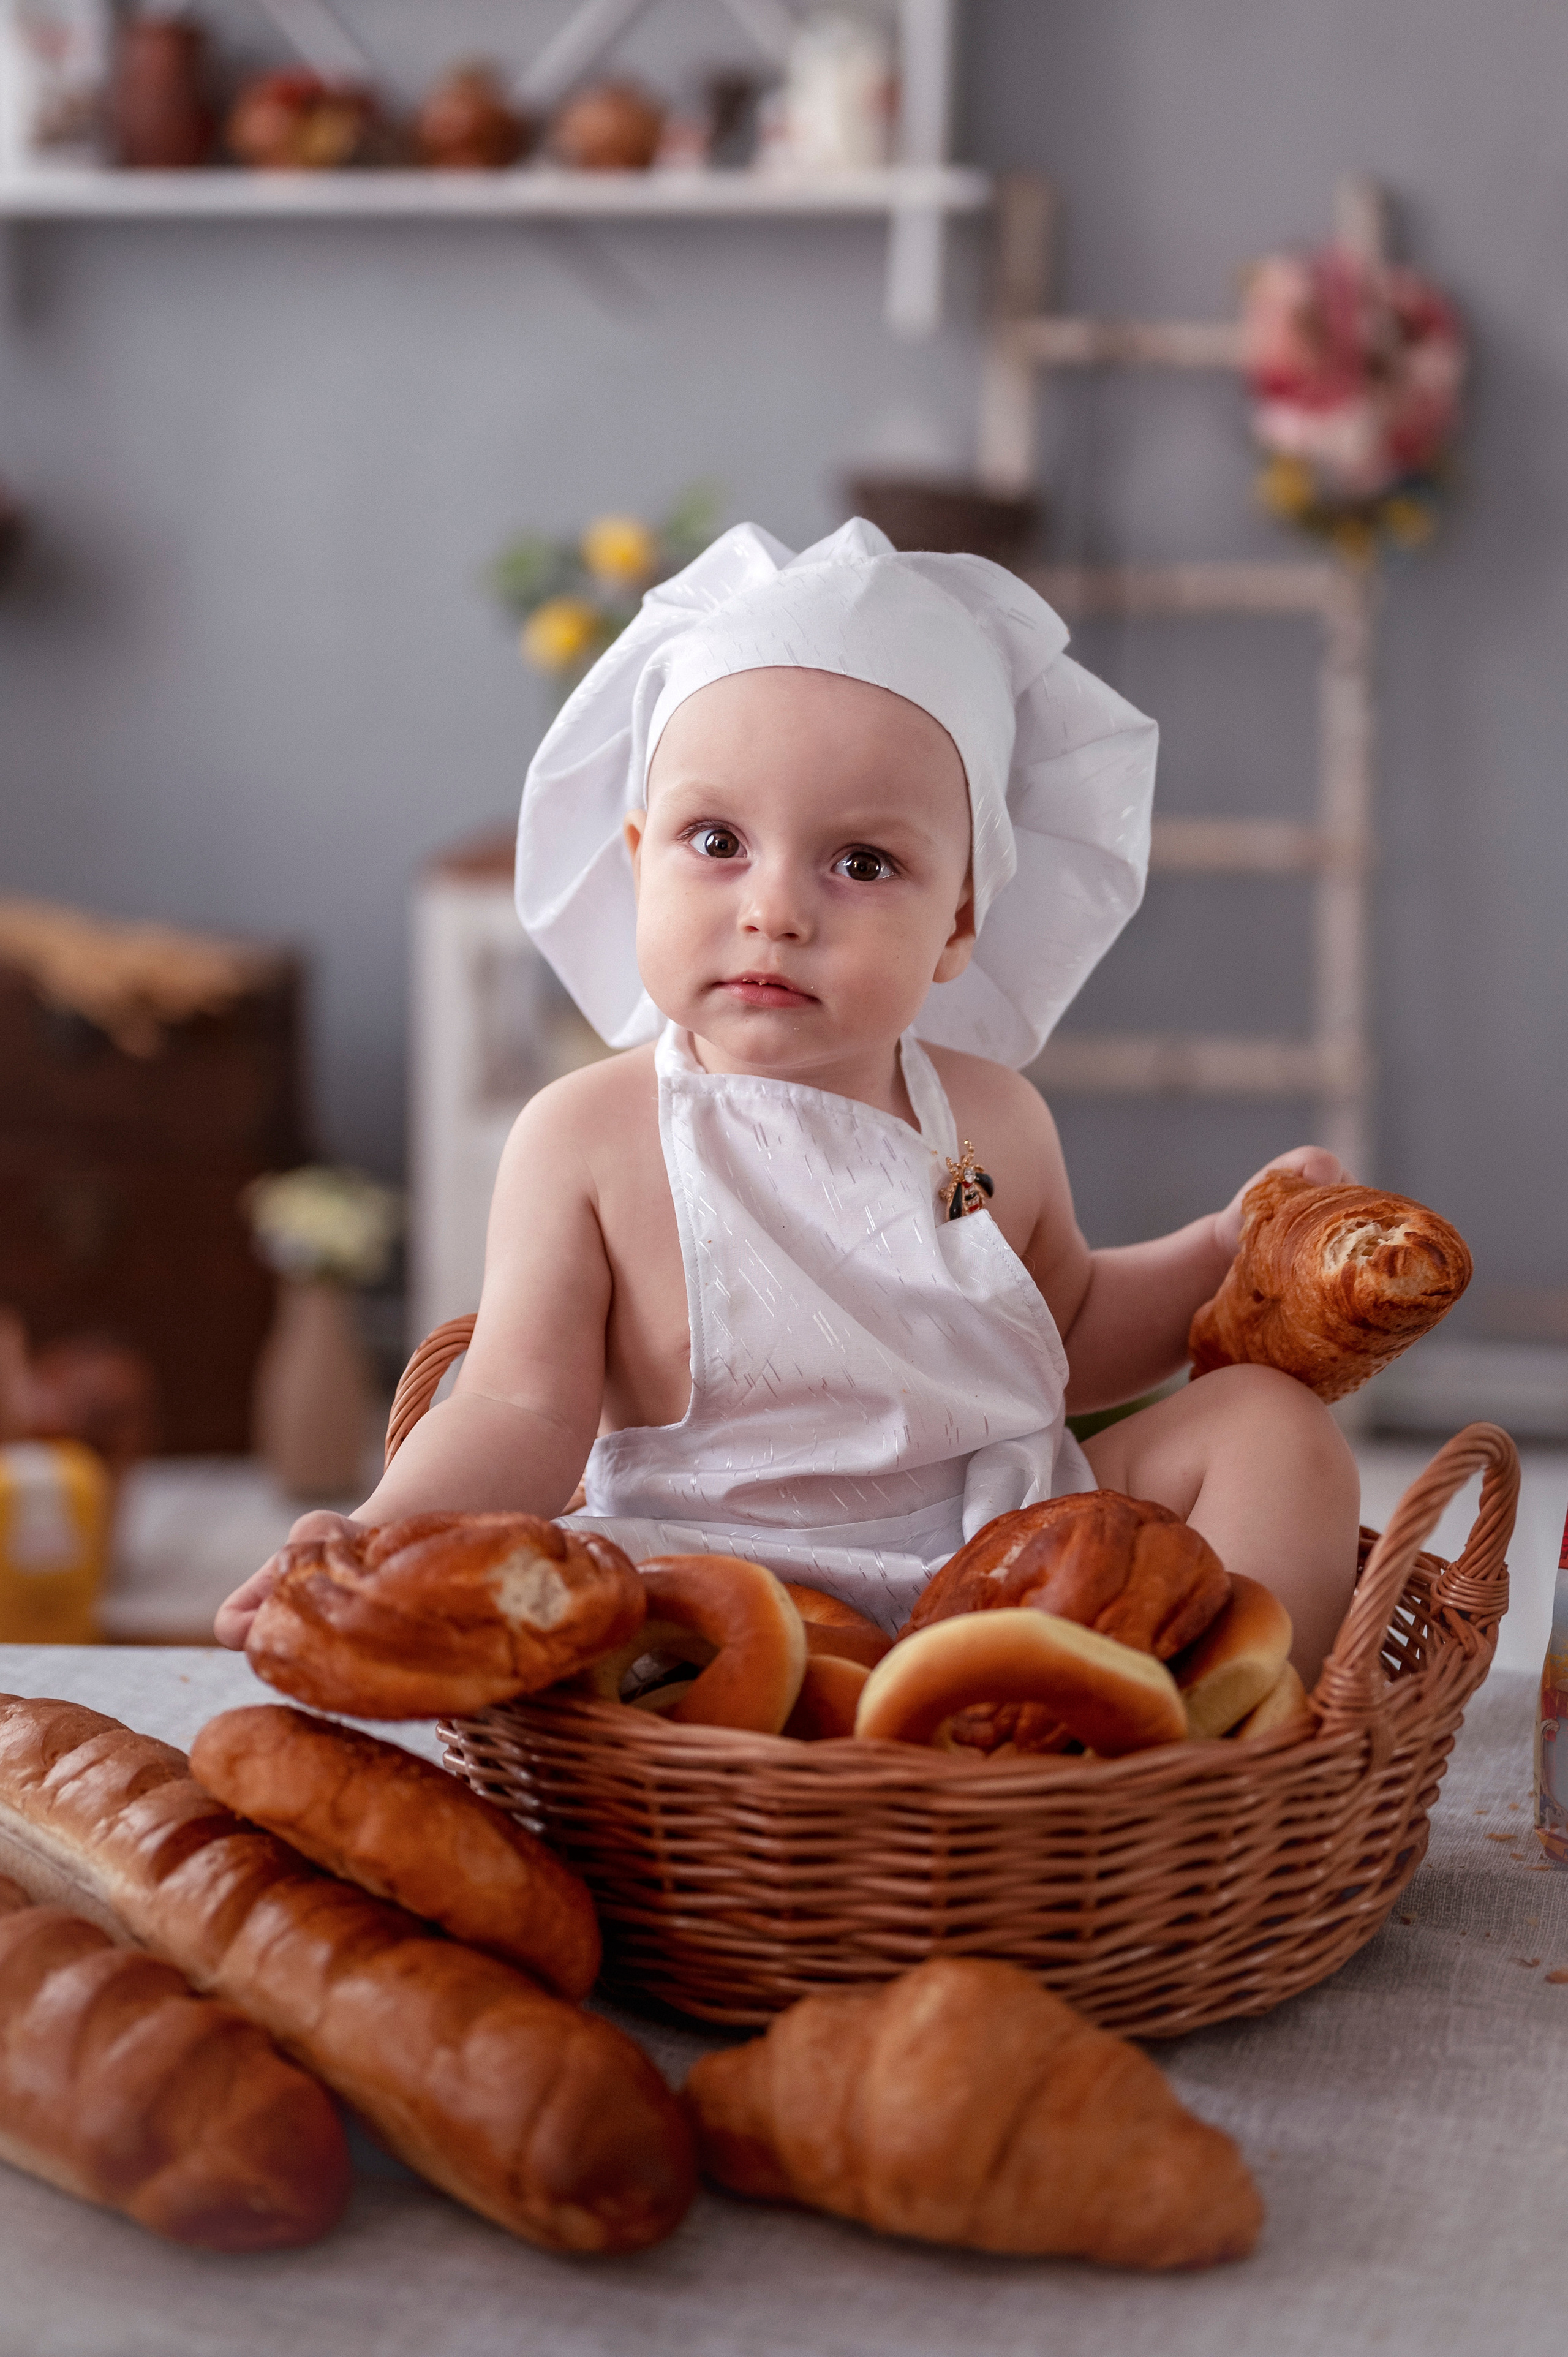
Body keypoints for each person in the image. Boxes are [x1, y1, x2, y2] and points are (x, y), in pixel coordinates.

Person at [216, 521, 1358, 1679]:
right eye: (716, 840)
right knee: (558, 1631)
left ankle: (1231, 1736)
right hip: (708, 1591)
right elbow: (520, 1411)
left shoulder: (992, 1117)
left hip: (1010, 1555)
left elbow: (1063, 1331)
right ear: (635, 858)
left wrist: (1226, 1245)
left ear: (958, 922)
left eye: (861, 863)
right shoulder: (589, 1138)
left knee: (1271, 1425)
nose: (775, 910)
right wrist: (366, 1536)